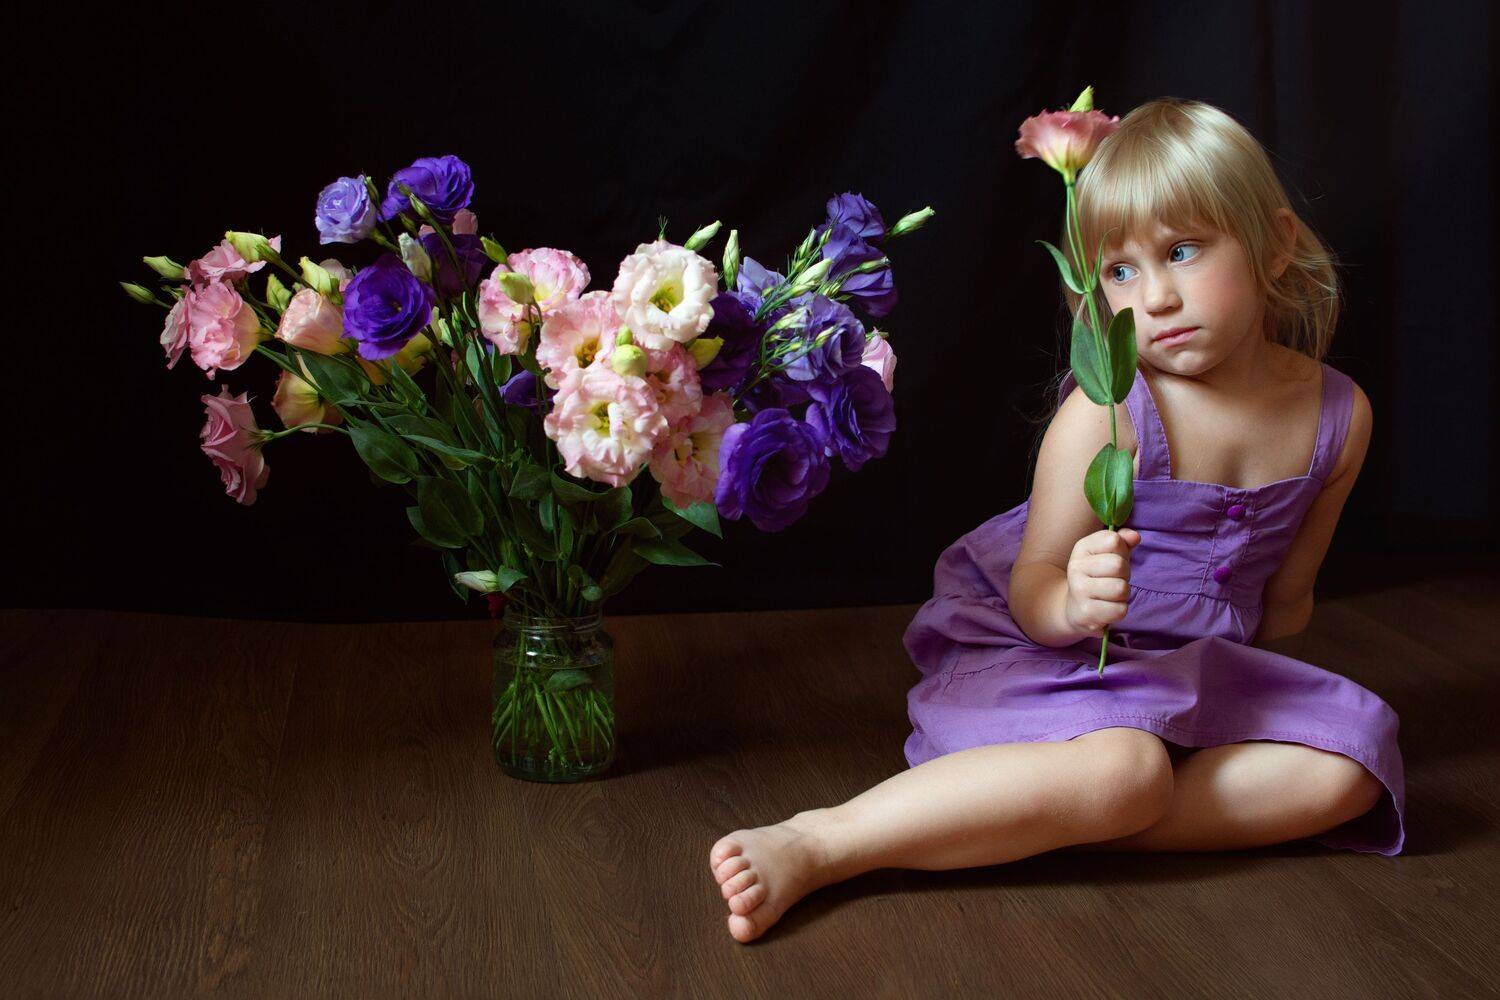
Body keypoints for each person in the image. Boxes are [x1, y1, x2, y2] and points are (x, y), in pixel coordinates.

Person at [706, 98, 1405, 944]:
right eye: (1120, 272)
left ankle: (1048, 815)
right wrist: (1074, 601)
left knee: (1352, 766)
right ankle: (829, 840)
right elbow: (1033, 586)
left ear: (1276, 243)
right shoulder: (1111, 412)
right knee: (1128, 766)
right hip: (1054, 654)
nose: (1156, 298)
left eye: (1183, 252)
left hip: (1190, 670)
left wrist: (1247, 697)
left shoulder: (1338, 415)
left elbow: (1286, 607)